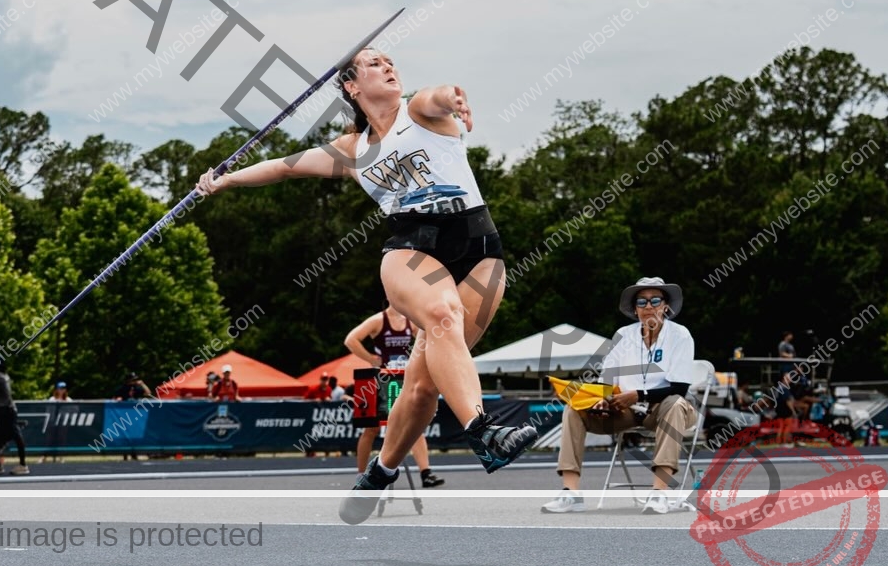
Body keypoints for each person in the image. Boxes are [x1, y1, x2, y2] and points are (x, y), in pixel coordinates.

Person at [196, 46, 536, 524]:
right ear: (352, 87)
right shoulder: (353, 149)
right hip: (412, 247)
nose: (389, 66)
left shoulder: (418, 111)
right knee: (443, 316)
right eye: (374, 64)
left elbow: (439, 95)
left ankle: (379, 472)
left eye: (391, 60)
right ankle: (483, 430)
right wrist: (226, 181)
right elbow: (283, 167)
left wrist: (455, 97)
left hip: (480, 248)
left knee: (421, 389)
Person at [542, 277, 696, 516]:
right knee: (573, 409)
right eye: (642, 302)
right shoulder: (622, 335)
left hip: (665, 409)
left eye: (655, 300)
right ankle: (570, 493)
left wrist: (638, 395)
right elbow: (607, 380)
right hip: (626, 410)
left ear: (666, 306)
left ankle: (659, 493)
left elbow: (680, 388)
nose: (648, 306)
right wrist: (602, 399)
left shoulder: (680, 335)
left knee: (675, 404)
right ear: (635, 309)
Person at [344, 304, 445, 488]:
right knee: (371, 429)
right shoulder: (378, 320)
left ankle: (426, 472)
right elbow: (351, 340)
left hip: (403, 379)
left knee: (415, 425)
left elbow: (429, 337)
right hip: (380, 379)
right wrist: (370, 358)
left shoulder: (410, 321)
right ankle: (361, 475)